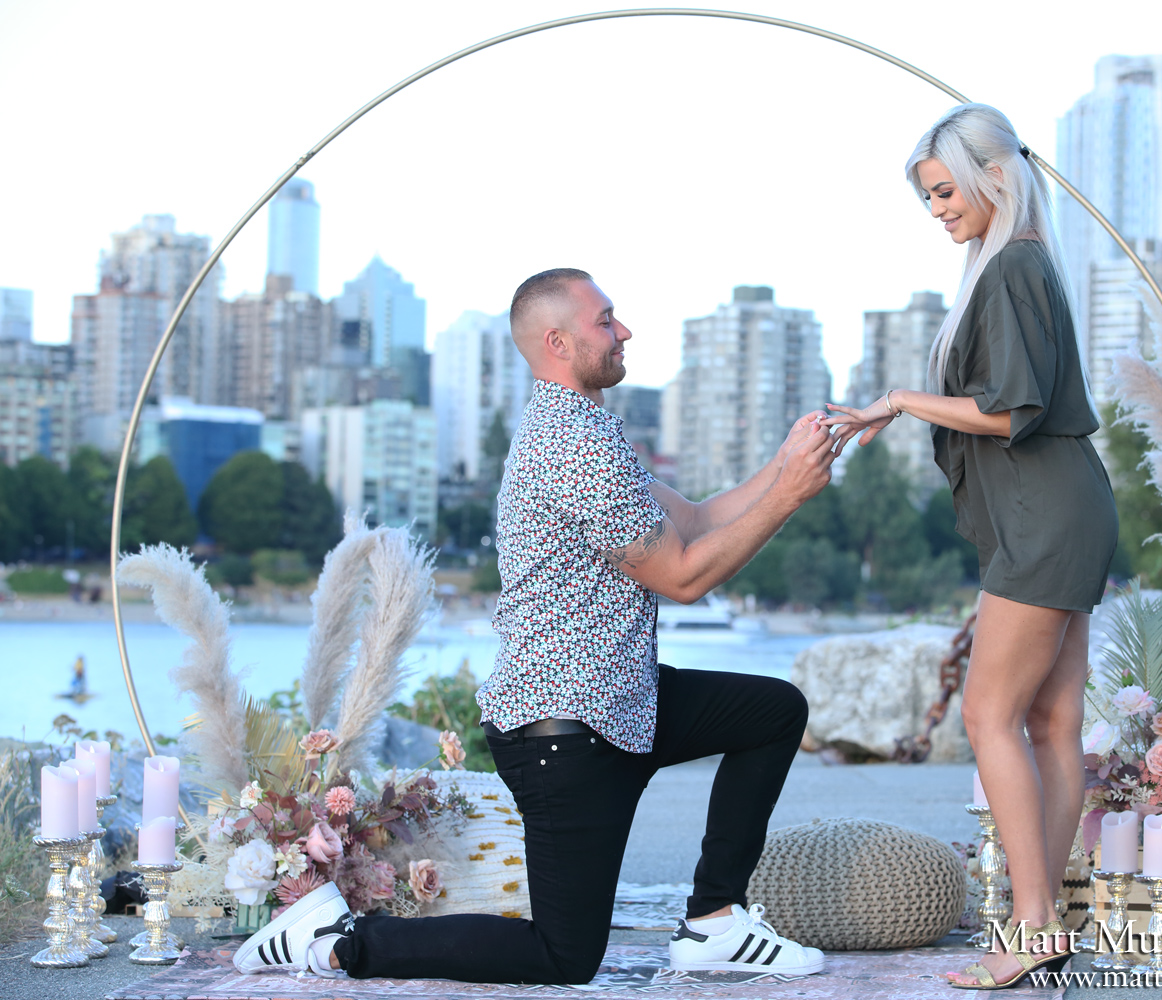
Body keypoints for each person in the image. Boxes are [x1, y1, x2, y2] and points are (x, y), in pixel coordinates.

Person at [235, 268, 839, 985]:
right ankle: (338, 939)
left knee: (771, 712)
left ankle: (714, 923)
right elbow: (683, 576)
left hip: (622, 705)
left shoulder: (588, 429)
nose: (624, 331)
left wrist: (787, 462)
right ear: (557, 341)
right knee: (563, 954)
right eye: (606, 320)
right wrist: (791, 496)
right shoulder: (570, 444)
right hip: (564, 733)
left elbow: (701, 520)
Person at [827, 105, 1117, 990]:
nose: (939, 211)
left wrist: (905, 399)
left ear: (994, 173)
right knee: (1051, 723)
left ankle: (1032, 929)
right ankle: (1046, 921)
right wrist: (893, 404)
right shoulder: (1018, 263)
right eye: (928, 198)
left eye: (945, 191)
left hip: (1043, 516)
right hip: (1062, 507)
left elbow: (1009, 409)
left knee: (988, 716)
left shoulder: (1013, 267)